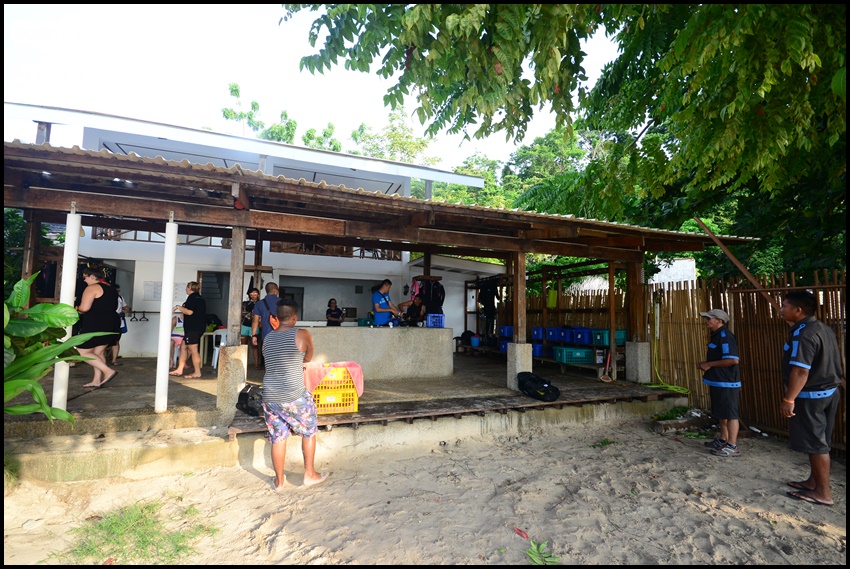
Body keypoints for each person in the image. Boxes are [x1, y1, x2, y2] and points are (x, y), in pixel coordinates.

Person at [780, 290, 842, 507]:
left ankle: (823, 493)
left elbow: (800, 370)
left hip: (812, 396)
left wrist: (789, 399)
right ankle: (813, 482)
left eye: (784, 306)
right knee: (820, 441)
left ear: (798, 310)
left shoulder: (804, 333)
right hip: (829, 392)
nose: (781, 310)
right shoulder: (822, 328)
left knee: (817, 444)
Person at [261, 299, 330, 492]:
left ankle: (279, 481)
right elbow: (308, 358)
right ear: (294, 317)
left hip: (270, 396)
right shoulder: (302, 334)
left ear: (277, 317)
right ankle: (309, 474)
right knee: (309, 431)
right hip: (294, 395)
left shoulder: (268, 337)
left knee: (278, 437)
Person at [697, 308, 741, 457]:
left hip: (727, 382)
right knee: (722, 413)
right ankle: (723, 439)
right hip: (718, 381)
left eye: (709, 318)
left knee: (731, 414)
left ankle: (732, 445)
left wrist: (709, 364)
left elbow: (733, 360)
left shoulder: (725, 336)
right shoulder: (716, 335)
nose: (706, 321)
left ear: (719, 320)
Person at [75, 268, 120, 388]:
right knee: (98, 352)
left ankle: (108, 371)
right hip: (111, 322)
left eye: (85, 277)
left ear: (92, 276)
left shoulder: (92, 288)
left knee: (82, 351)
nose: (84, 280)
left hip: (96, 323)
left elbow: (84, 308)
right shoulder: (111, 288)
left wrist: (77, 308)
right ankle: (96, 380)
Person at [169, 282, 206, 379]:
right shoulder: (200, 298)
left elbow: (189, 312)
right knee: (183, 347)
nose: (186, 289)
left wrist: (178, 307)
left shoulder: (192, 297)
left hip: (193, 328)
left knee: (193, 350)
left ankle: (197, 372)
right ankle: (179, 369)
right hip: (196, 327)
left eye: (187, 287)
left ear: (190, 288)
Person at [252, 282, 281, 363]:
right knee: (281, 360)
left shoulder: (259, 304)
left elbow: (255, 321)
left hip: (266, 336)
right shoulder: (283, 302)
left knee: (269, 360)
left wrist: (254, 336)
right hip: (282, 335)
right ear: (275, 291)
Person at [108, 284, 130, 366]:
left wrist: (125, 310)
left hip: (118, 321)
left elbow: (126, 308)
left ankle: (114, 360)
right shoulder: (106, 298)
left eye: (118, 291)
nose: (117, 292)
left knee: (116, 341)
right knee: (104, 341)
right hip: (108, 321)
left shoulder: (120, 298)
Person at [241, 287, 261, 368]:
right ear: (249, 295)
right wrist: (254, 316)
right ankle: (242, 364)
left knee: (255, 345)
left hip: (255, 326)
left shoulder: (260, 304)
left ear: (258, 295)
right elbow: (243, 313)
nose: (253, 295)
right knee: (243, 345)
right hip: (245, 325)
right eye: (251, 293)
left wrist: (251, 316)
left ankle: (256, 365)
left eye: (255, 293)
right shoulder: (245, 303)